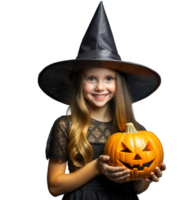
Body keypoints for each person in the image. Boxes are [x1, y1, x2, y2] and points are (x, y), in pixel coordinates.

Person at [36, 1, 167, 199]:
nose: (100, 87)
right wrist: (96, 167)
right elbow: (54, 187)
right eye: (91, 78)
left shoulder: (135, 129)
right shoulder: (65, 125)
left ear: (119, 84)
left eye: (108, 79)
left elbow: (136, 189)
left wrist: (147, 177)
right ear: (80, 84)